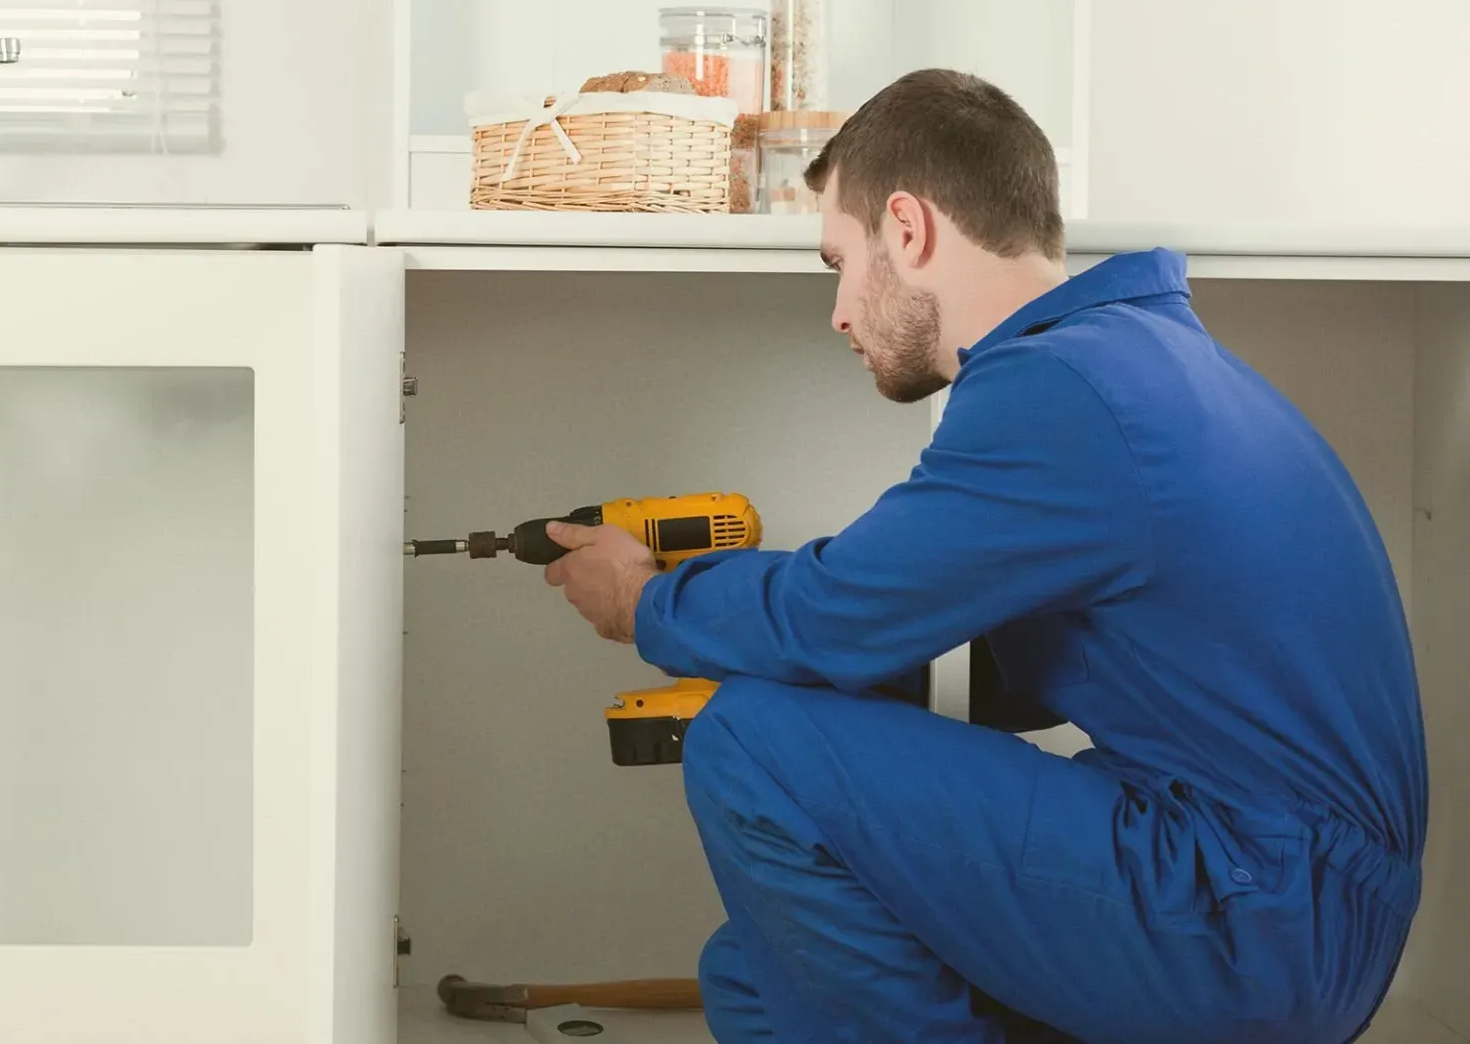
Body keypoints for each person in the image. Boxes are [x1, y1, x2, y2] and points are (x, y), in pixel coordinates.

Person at [539, 68, 1427, 1044]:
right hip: (1286, 910)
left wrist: (646, 601)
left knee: (748, 740)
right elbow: (1016, 676)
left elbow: (831, 614)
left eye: (840, 259)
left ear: (909, 229)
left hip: (1252, 918)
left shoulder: (1066, 391)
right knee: (753, 973)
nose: (838, 311)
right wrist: (845, 681)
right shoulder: (1141, 360)